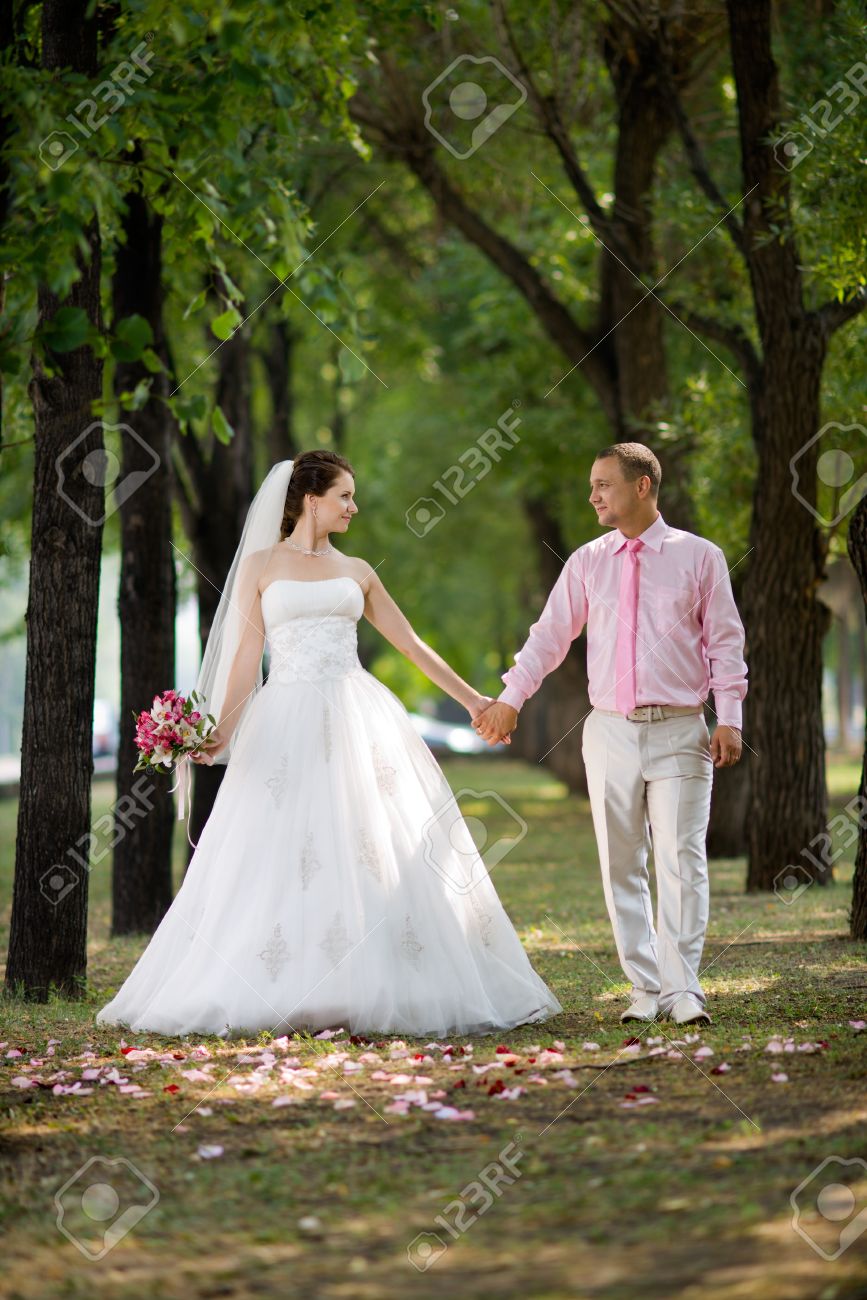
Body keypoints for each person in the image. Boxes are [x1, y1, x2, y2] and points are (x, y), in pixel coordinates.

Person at [96, 451, 562, 1039]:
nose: (354, 507)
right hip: (284, 717)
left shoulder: (360, 570)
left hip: (355, 714)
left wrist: (477, 703)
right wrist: (219, 730)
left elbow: (412, 645)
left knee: (366, 841)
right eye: (345, 495)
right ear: (310, 498)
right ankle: (280, 979)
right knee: (282, 849)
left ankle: (377, 976)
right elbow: (244, 659)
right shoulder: (261, 566)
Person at [473, 443, 747, 1027]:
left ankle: (684, 989)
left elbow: (725, 643)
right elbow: (548, 637)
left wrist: (730, 717)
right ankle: (645, 989)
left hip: (680, 730)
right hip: (609, 733)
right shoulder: (587, 562)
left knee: (682, 859)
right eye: (592, 485)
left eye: (604, 485)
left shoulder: (700, 558)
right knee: (620, 862)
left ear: (642, 486)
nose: (593, 496)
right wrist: (510, 699)